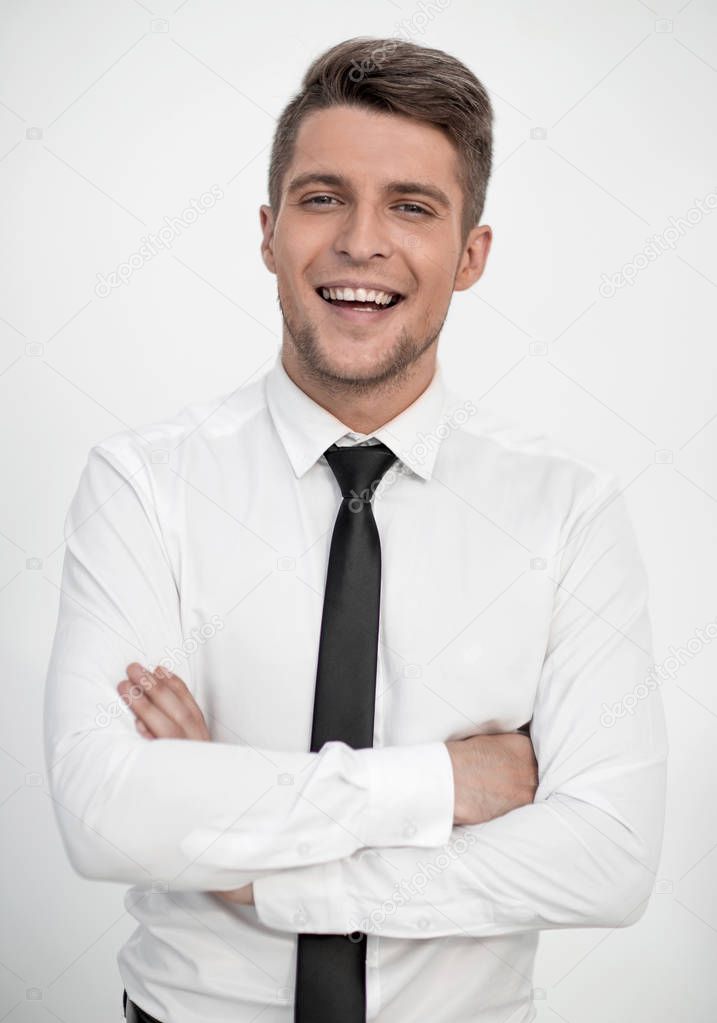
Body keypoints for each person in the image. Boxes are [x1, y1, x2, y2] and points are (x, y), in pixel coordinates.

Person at [44, 36, 668, 1023]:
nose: (361, 242)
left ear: (471, 255)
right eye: (323, 196)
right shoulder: (142, 484)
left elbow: (608, 858)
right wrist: (438, 786)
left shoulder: (569, 511)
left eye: (411, 207)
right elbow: (103, 814)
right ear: (268, 231)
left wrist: (252, 861)